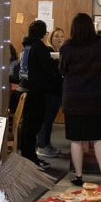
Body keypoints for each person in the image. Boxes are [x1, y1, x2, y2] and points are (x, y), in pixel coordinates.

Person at [59, 13, 101, 185]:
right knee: (98, 138)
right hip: (98, 98)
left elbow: (62, 70)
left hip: (73, 98)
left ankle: (78, 176)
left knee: (76, 139)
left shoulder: (67, 47)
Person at [18, 20, 61, 167]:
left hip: (25, 88)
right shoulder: (39, 47)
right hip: (37, 91)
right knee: (33, 126)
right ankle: (31, 159)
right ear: (43, 33)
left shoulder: (26, 45)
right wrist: (56, 62)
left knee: (27, 126)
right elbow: (48, 68)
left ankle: (27, 156)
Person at [37, 26, 65, 158]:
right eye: (56, 36)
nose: (59, 38)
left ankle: (47, 144)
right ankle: (42, 146)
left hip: (56, 91)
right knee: (46, 120)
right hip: (49, 92)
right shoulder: (48, 51)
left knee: (49, 120)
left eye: (61, 36)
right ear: (50, 38)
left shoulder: (60, 52)